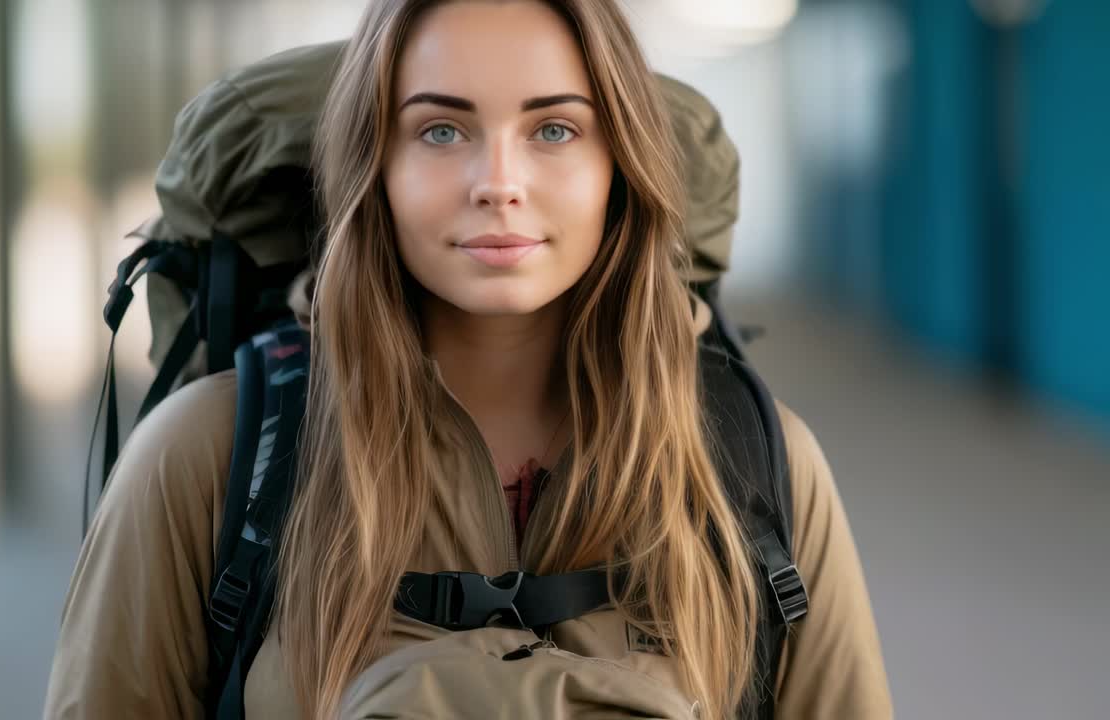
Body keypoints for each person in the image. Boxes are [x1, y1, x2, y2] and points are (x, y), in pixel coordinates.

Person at [44, 1, 892, 718]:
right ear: (372, 167)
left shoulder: (749, 466)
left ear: (619, 169)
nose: (498, 180)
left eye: (554, 128)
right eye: (441, 129)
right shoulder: (210, 458)